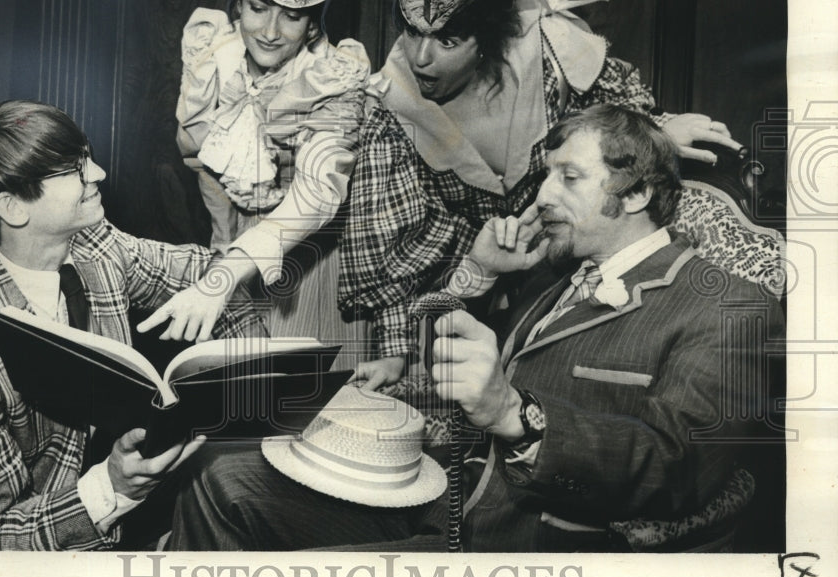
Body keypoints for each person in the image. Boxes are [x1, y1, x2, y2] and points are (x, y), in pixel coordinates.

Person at [165, 104, 783, 552]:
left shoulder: (728, 305)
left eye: (568, 178)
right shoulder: (553, 274)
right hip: (444, 494)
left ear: (638, 192)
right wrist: (479, 274)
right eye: (545, 175)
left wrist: (517, 415)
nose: (541, 196)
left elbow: (679, 470)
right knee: (222, 481)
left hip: (524, 548)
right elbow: (440, 359)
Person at [337, 0, 742, 390]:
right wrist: (395, 354)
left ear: (484, 38)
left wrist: (652, 131)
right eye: (411, 33)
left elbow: (603, 139)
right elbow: (394, 254)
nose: (421, 58)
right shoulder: (389, 110)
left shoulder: (546, 59)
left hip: (571, 272)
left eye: (447, 41)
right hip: (469, 288)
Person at [0, 100, 263, 551]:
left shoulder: (94, 244)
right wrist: (113, 489)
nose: (99, 174)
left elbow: (208, 272)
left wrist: (240, 373)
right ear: (13, 208)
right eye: (75, 169)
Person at [140, 0, 370, 356]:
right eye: (259, 8)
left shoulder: (336, 77)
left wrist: (228, 270)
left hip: (311, 258)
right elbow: (202, 160)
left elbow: (318, 196)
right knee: (233, 395)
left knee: (297, 399)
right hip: (229, 246)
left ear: (313, 25)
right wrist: (223, 250)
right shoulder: (212, 56)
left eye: (292, 17)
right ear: (238, 6)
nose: (269, 32)